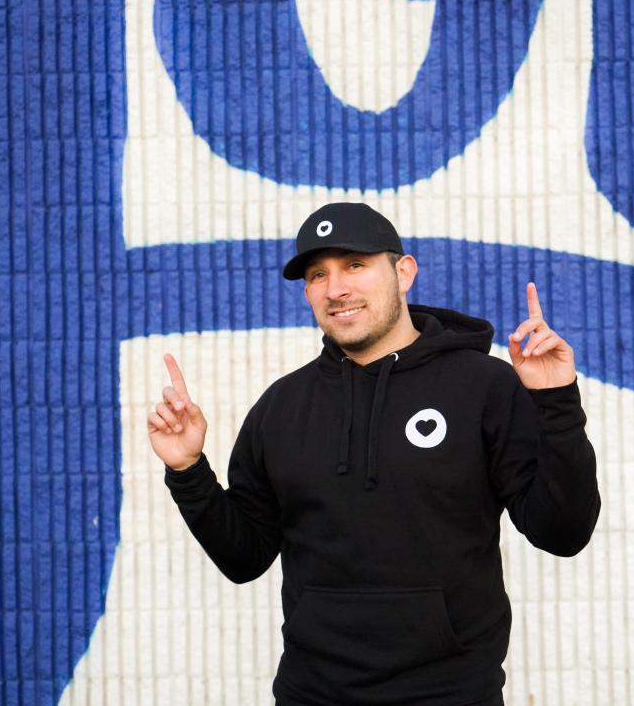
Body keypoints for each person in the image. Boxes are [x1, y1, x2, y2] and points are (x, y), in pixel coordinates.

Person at [149, 202, 600, 706]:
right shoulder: (280, 407)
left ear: (403, 272)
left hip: (451, 695)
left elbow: (563, 532)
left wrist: (556, 401)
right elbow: (244, 557)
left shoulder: (484, 386)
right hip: (311, 694)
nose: (335, 288)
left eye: (354, 265)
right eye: (318, 274)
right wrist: (188, 469)